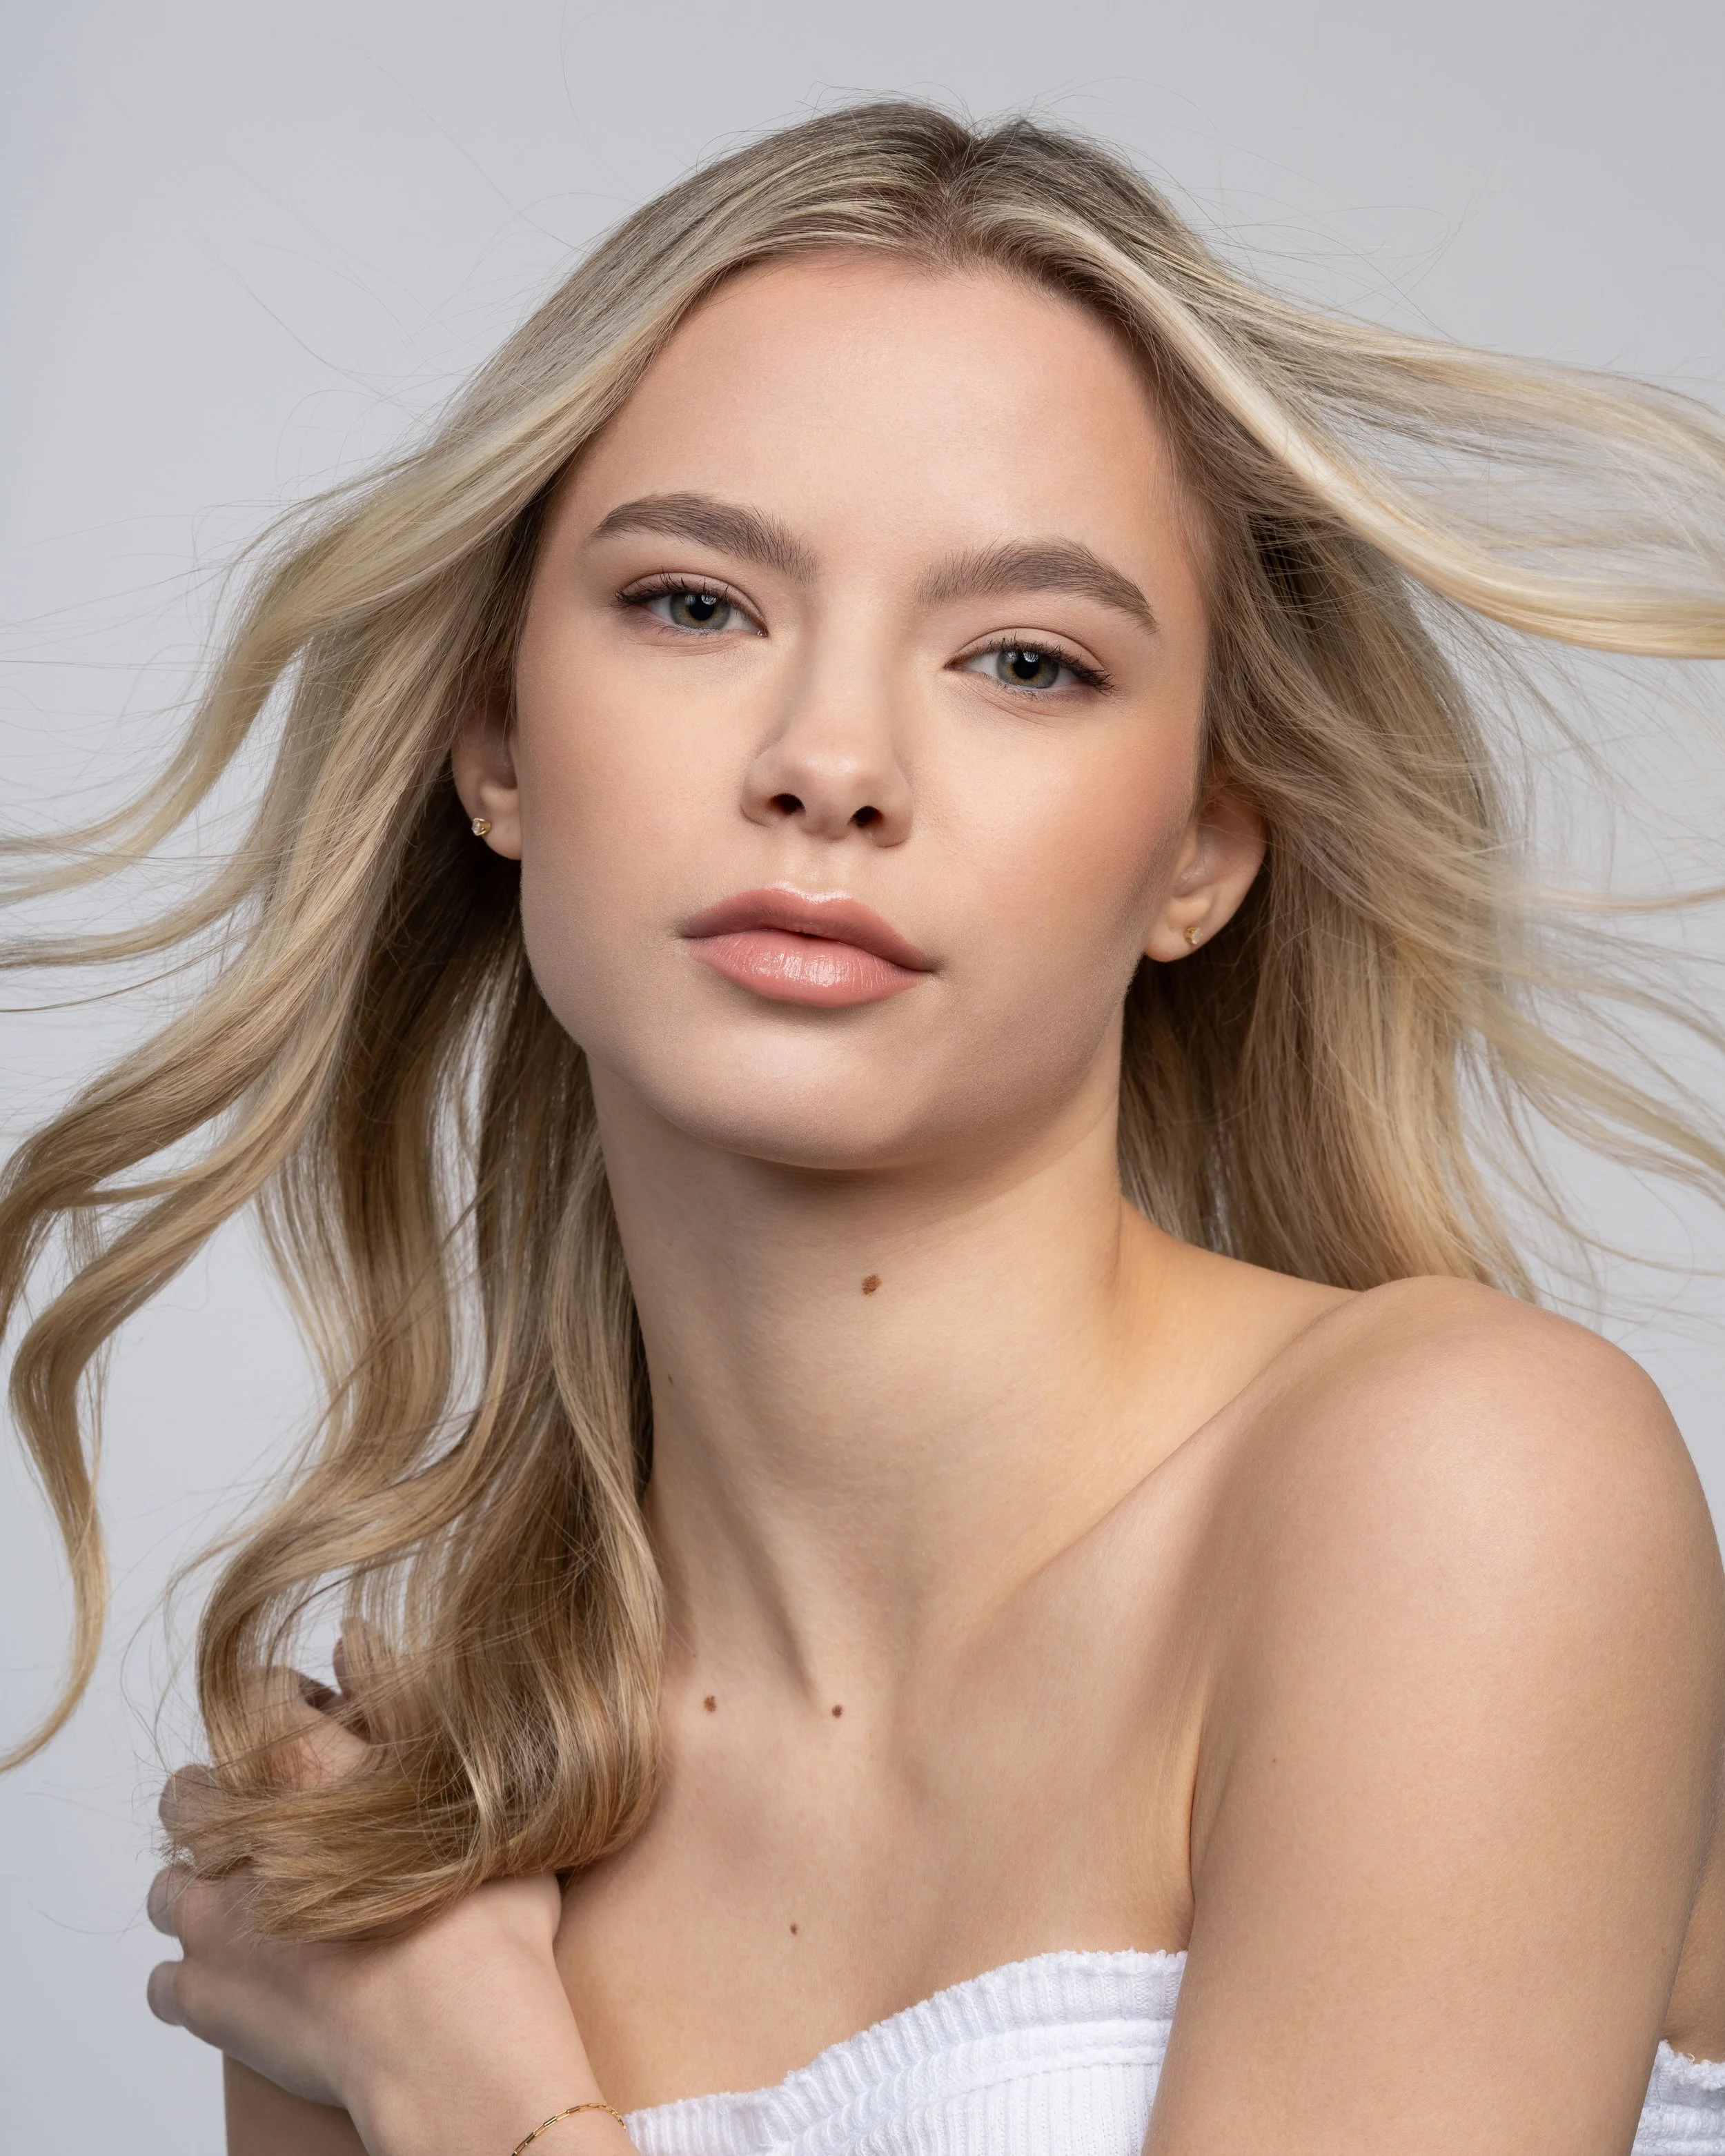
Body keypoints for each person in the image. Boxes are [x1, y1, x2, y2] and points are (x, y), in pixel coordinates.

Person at [4, 101, 1725, 2156]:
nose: (831, 762)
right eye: (693, 604)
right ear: (495, 747)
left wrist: (484, 2101)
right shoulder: (413, 1836)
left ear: (1198, 847)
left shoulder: (1453, 1487)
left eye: (1024, 658)